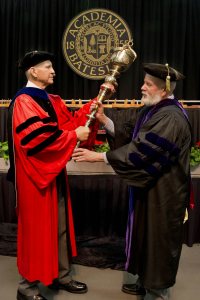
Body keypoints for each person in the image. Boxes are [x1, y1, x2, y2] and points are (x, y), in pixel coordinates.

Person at [72, 63, 192, 300]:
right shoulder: (154, 110)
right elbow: (132, 136)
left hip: (164, 195)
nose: (142, 87)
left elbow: (144, 151)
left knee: (158, 243)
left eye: (148, 84)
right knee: (146, 239)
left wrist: (101, 156)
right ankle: (146, 283)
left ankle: (157, 293)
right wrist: (104, 119)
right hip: (151, 190)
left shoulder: (171, 116)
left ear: (164, 89)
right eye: (144, 82)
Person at [7, 50, 100, 300]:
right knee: (37, 232)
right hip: (33, 178)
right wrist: (72, 137)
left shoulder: (50, 99)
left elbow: (68, 125)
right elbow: (36, 139)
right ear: (33, 71)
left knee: (58, 227)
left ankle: (61, 275)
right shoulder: (25, 101)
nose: (53, 71)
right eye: (47, 67)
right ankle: (26, 288)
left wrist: (93, 106)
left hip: (52, 173)